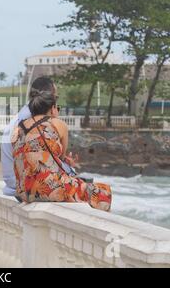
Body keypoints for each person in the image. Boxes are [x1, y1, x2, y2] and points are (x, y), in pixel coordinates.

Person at [9, 78, 112, 211]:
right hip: (47, 188)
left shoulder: (18, 129)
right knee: (103, 192)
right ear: (52, 108)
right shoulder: (57, 124)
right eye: (57, 107)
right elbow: (61, 158)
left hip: (23, 191)